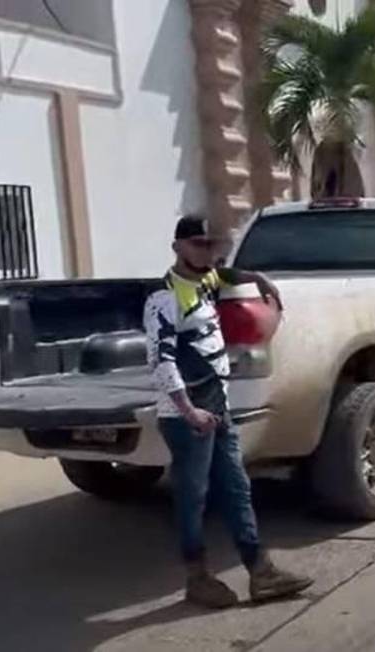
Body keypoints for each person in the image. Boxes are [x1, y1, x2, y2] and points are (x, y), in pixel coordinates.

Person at [144, 215, 313, 609]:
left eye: (212, 245)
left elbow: (225, 274)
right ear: (177, 247)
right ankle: (197, 577)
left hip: (217, 406)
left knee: (237, 488)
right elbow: (161, 360)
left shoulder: (206, 280)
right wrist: (188, 411)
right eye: (198, 244)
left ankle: (261, 571)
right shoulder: (165, 298)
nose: (207, 252)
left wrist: (257, 278)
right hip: (188, 414)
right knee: (193, 495)